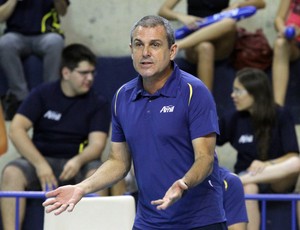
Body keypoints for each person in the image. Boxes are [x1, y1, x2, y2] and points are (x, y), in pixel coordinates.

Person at [43, 15, 227, 229]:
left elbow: (205, 158)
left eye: (155, 45)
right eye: (139, 45)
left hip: (200, 221)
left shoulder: (194, 92)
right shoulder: (122, 96)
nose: (145, 53)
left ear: (172, 51)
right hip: (148, 222)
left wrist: (184, 183)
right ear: (131, 50)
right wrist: (82, 188)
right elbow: (118, 162)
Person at [0, 43, 111, 230]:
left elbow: (97, 145)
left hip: (78, 163)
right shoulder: (43, 94)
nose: (90, 78)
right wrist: (39, 164)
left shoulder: (98, 102)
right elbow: (16, 129)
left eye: (92, 72)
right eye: (84, 73)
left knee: (97, 174)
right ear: (66, 73)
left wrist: (78, 160)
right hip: (41, 161)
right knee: (12, 172)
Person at [217, 67, 300, 230]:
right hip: (247, 176)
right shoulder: (233, 118)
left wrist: (267, 164)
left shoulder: (281, 114)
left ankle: (241, 180)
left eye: (238, 91)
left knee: (297, 163)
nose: (232, 95)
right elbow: (208, 140)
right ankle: (243, 181)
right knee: (249, 187)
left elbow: (292, 155)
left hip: (277, 178)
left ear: (255, 93)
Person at [158, 0, 266, 91]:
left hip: (221, 40)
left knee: (229, 23)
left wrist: (237, 5)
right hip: (196, 41)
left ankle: (179, 45)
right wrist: (183, 17)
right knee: (206, 47)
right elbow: (163, 11)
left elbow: (261, 3)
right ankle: (205, 103)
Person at [0, 0, 70, 120]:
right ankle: (20, 98)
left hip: (46, 34)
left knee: (55, 41)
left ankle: (51, 97)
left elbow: (63, 12)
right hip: (16, 34)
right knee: (5, 43)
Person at [272, 0, 300, 106]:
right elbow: (279, 18)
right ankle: (278, 107)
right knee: (280, 44)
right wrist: (283, 29)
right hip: (293, 41)